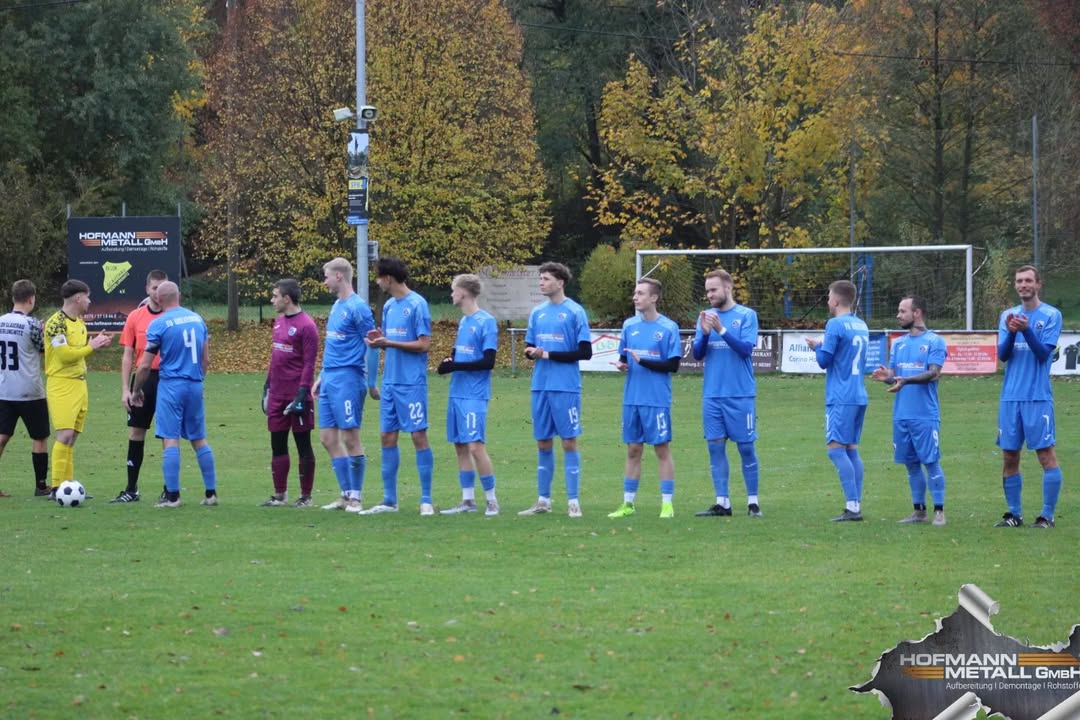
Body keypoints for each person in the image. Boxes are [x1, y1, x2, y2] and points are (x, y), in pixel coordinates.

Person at [130, 281, 217, 508]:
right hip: (194, 383)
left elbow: (145, 366)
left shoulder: (159, 324)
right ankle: (211, 494)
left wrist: (136, 389)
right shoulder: (197, 319)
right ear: (179, 296)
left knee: (170, 438)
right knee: (199, 438)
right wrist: (198, 379)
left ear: (158, 299)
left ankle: (173, 497)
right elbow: (206, 359)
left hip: (171, 385)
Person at [518, 262, 592, 518]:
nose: (541, 283)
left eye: (546, 278)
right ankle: (543, 500)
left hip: (566, 387)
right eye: (540, 279)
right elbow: (530, 347)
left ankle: (573, 501)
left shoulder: (575, 312)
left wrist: (546, 353)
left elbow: (585, 352)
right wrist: (532, 353)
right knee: (543, 442)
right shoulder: (537, 313)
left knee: (569, 441)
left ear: (560, 282)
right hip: (540, 386)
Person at [363, 257, 434, 516]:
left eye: (378, 277)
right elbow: (389, 339)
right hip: (390, 382)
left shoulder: (417, 304)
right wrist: (378, 340)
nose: (377, 281)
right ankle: (389, 500)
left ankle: (426, 499)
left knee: (418, 436)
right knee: (387, 437)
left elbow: (424, 344)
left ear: (388, 278)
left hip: (411, 383)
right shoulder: (390, 306)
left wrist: (389, 343)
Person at [994, 265, 1063, 529]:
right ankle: (1014, 514)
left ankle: (1046, 515)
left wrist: (1025, 330)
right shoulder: (1007, 316)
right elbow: (1002, 355)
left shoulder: (1051, 315)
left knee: (1046, 454)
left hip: (1037, 397)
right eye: (1019, 281)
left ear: (1038, 284)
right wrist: (1012, 332)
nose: (1023, 285)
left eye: (1028, 281)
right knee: (1010, 456)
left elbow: (1043, 354)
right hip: (1010, 398)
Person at [870, 296, 949, 526]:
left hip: (925, 414)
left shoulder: (935, 341)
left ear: (917, 313)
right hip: (901, 414)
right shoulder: (898, 343)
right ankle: (919, 511)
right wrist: (888, 378)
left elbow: (933, 373)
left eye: (902, 311)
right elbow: (896, 379)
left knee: (931, 461)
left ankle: (939, 511)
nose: (898, 315)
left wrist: (905, 380)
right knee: (911, 464)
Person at [691, 269, 763, 518]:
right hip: (712, 395)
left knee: (746, 448)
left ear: (728, 288)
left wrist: (721, 330)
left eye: (713, 289)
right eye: (707, 290)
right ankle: (723, 502)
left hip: (740, 394)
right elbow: (698, 355)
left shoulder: (746, 315)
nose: (709, 294)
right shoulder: (705, 317)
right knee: (715, 448)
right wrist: (705, 333)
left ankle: (753, 502)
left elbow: (745, 350)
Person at [606, 278, 681, 519]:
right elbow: (626, 359)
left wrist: (643, 361)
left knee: (661, 449)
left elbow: (673, 364)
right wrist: (622, 365)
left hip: (656, 399)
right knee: (633, 450)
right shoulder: (629, 326)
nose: (635, 297)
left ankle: (667, 505)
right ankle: (628, 504)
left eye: (640, 293)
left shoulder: (669, 328)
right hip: (632, 399)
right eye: (635, 293)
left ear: (654, 298)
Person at [314, 258, 376, 513]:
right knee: (328, 438)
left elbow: (373, 343)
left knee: (351, 438)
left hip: (349, 379)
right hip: (330, 378)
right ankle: (344, 493)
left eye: (326, 275)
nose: (324, 280)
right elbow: (333, 345)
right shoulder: (336, 306)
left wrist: (371, 382)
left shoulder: (358, 307)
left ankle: (357, 497)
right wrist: (322, 375)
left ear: (339, 276)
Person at [805, 279, 869, 522]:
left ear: (837, 300)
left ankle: (852, 507)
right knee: (851, 449)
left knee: (835, 450)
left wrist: (815, 347)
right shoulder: (861, 324)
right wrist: (823, 345)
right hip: (859, 394)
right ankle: (855, 503)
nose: (828, 300)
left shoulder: (834, 324)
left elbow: (824, 361)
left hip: (841, 396)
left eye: (829, 296)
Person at [438, 274, 500, 516]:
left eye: (454, 290)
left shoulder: (486, 322)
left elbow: (488, 361)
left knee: (476, 446)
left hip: (474, 394)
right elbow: (458, 355)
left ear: (463, 292)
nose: (451, 294)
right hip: (457, 393)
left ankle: (492, 500)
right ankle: (467, 500)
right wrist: (447, 362)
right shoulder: (464, 322)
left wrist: (455, 366)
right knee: (461, 446)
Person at [44, 279, 113, 496]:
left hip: (80, 385)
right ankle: (56, 486)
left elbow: (79, 352)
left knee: (72, 437)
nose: (90, 301)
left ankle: (68, 486)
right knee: (63, 435)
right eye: (88, 297)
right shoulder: (56, 323)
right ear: (78, 297)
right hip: (61, 384)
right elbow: (64, 356)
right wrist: (90, 347)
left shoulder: (81, 324)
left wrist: (96, 344)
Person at [261, 278, 320, 508]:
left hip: (298, 395)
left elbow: (309, 363)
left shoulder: (307, 326)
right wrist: (267, 385)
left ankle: (306, 496)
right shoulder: (278, 322)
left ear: (287, 299)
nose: (272, 300)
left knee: (303, 444)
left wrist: (302, 394)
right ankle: (280, 495)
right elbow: (275, 357)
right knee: (277, 443)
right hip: (277, 394)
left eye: (275, 296)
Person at [111, 269, 168, 503]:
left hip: (168, 379)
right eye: (155, 288)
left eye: (162, 288)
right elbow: (127, 356)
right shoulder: (135, 317)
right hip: (142, 381)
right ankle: (131, 489)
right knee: (136, 431)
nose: (158, 292)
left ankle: (169, 489)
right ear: (147, 289)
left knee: (168, 435)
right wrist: (126, 389)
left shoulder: (173, 316)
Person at [0, 280, 49, 497]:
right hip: (30, 390)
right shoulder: (33, 325)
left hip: (4, 389)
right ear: (31, 299)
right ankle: (40, 485)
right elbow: (44, 349)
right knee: (39, 437)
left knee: (2, 437)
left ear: (13, 298)